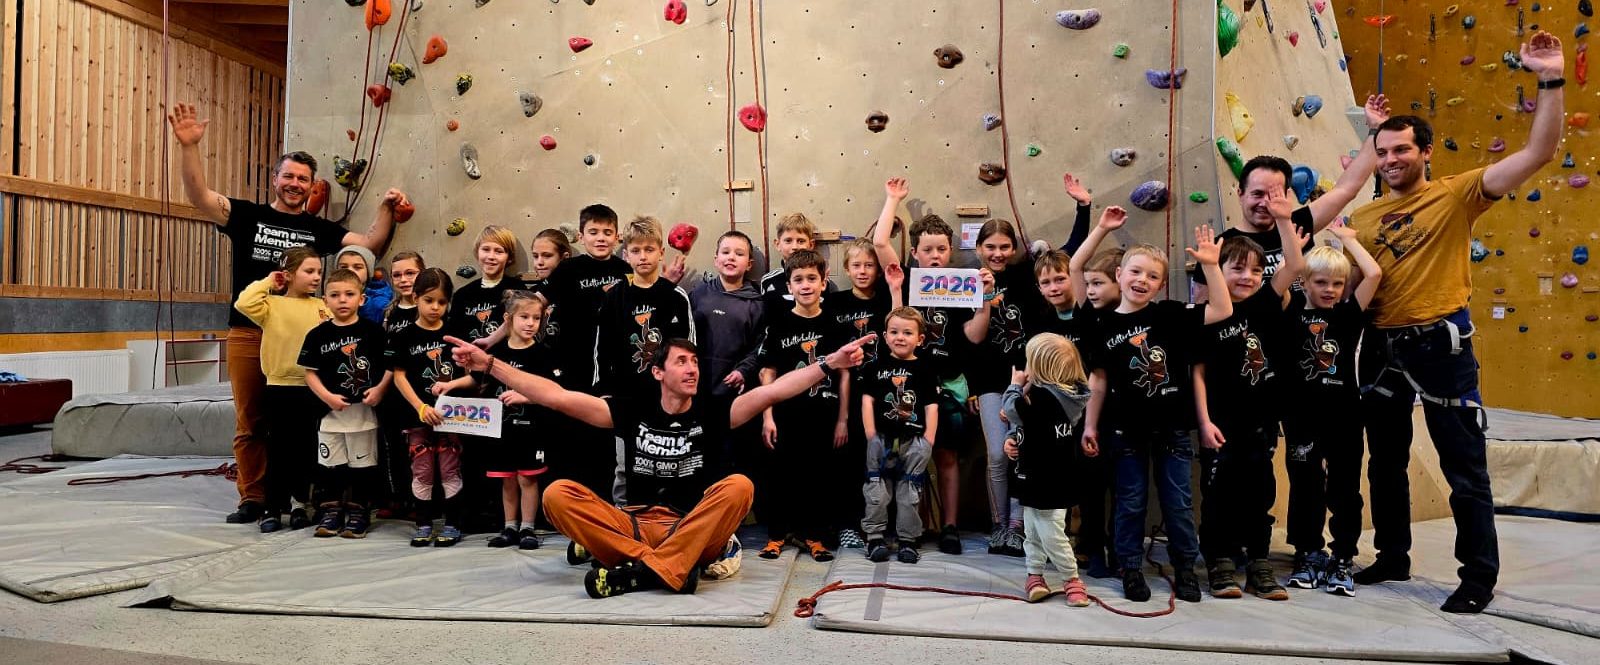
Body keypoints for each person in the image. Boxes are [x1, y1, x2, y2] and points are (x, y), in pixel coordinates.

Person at [1354, 29, 1565, 616]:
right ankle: (1392, 554)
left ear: (1426, 152)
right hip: (1379, 347)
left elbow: (1539, 154)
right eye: (1384, 151)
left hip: (1438, 345)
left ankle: (1478, 576)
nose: (1393, 160)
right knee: (1386, 464)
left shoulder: (1457, 194)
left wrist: (1549, 78)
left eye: (1403, 150)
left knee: (1464, 469)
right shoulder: (1365, 216)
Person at [443, 332, 877, 598]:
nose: (692, 370)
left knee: (740, 486)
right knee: (558, 494)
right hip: (633, 523)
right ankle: (660, 567)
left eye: (694, 363)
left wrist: (828, 364)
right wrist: (490, 365)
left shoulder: (712, 410)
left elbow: (774, 392)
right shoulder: (630, 411)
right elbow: (555, 396)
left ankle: (632, 569)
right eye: (681, 362)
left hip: (692, 528)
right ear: (658, 373)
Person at [169, 102, 403, 525]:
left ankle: (300, 495)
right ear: (275, 179)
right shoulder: (246, 216)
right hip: (249, 332)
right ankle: (254, 497)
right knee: (251, 419)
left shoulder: (321, 229)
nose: (295, 184)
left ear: (312, 186)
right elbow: (199, 196)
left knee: (299, 422)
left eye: (303, 179)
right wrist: (189, 148)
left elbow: (369, 243)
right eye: (289, 176)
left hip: (301, 338)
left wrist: (387, 206)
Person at [1080, 212, 1233, 603]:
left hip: (1173, 428)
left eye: (1151, 276)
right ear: (1119, 274)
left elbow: (1222, 310)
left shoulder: (1170, 315)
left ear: (1161, 284)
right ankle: (1129, 566)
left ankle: (1185, 567)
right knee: (1129, 501)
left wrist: (1212, 266)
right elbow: (1099, 380)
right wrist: (1090, 426)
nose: (1141, 281)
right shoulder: (1101, 324)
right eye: (1135, 272)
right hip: (1123, 429)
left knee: (1178, 502)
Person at [1191, 189, 1305, 601]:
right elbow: (1198, 373)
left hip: (1260, 422)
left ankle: (1258, 560)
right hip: (1220, 423)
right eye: (1237, 269)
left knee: (1260, 493)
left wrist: (1284, 220)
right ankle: (1219, 561)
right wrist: (1203, 421)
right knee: (1218, 493)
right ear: (1217, 270)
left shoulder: (1266, 305)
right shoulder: (1208, 316)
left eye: (1255, 271)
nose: (1247, 277)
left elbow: (1294, 263)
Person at [1191, 95, 1391, 296]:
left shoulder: (1296, 226)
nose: (1265, 203)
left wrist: (1376, 130)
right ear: (1241, 194)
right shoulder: (1219, 247)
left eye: (1274, 195)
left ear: (1287, 196)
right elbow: (1203, 309)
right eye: (1257, 194)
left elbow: (1347, 189)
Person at [1282, 223, 1382, 597]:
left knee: (1344, 489)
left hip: (1344, 415)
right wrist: (1293, 243)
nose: (1329, 290)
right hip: (1300, 416)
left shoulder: (1348, 314)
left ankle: (1342, 556)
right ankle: (1308, 552)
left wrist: (1350, 241)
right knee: (1304, 486)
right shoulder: (1290, 314)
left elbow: (1373, 273)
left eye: (1337, 284)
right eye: (1321, 282)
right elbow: (1288, 273)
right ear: (1305, 283)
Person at [874, 178, 972, 555]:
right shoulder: (907, 279)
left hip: (946, 382)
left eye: (942, 250)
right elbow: (882, 244)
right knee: (898, 454)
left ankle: (949, 525)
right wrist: (893, 200)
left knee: (947, 455)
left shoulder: (961, 286)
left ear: (950, 252)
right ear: (915, 253)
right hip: (907, 383)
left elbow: (970, 342)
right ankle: (898, 525)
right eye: (927, 250)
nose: (935, 256)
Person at [756, 250, 851, 562]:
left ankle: (815, 537)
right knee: (781, 477)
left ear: (824, 283)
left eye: (812, 278)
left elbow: (844, 375)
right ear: (789, 286)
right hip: (786, 416)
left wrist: (842, 420)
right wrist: (767, 416)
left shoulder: (836, 324)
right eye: (799, 279)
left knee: (819, 478)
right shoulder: (779, 323)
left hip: (823, 417)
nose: (806, 285)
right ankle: (775, 537)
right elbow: (767, 371)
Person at [963, 217, 1048, 558]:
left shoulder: (1025, 279)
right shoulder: (966, 282)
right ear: (979, 248)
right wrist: (982, 296)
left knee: (1021, 454)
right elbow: (973, 338)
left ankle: (1016, 527)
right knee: (998, 455)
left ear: (1013, 249)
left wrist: (1083, 208)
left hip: (1026, 380)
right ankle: (999, 526)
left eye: (1004, 247)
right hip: (988, 382)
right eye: (990, 247)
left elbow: (1071, 258)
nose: (997, 254)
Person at [232, 246, 333, 532]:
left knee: (304, 450)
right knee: (276, 449)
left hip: (310, 388)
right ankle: (272, 506)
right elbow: (243, 302)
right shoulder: (270, 306)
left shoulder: (319, 307)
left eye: (319, 273)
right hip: (278, 387)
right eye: (309, 271)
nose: (316, 278)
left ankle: (300, 504)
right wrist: (269, 281)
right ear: (288, 275)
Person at [449, 291, 558, 550]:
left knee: (527, 478)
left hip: (530, 429)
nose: (531, 323)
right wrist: (449, 385)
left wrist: (524, 397)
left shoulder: (542, 353)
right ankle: (509, 526)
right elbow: (477, 379)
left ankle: (528, 527)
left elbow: (553, 391)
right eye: (524, 317)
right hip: (501, 429)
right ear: (508, 319)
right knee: (507, 478)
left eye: (536, 318)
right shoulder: (495, 353)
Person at [1034, 248, 1114, 579]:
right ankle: (1059, 545)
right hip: (1053, 417)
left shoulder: (1090, 316)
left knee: (1093, 486)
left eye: (1060, 279)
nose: (1054, 287)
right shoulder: (1042, 323)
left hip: (1089, 415)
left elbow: (1097, 372)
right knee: (1058, 484)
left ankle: (1094, 546)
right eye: (1045, 282)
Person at [298, 268, 391, 539]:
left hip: (363, 414)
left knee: (362, 467)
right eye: (335, 295)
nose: (342, 300)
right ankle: (331, 510)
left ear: (361, 299)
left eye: (349, 294)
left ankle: (359, 510)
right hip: (330, 415)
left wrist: (380, 391)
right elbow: (309, 372)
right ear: (324, 300)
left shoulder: (373, 332)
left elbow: (389, 367)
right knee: (331, 465)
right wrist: (326, 396)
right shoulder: (317, 335)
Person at [1002, 334, 1092, 607]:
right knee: (1032, 529)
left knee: (1051, 532)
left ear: (1040, 367)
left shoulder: (1044, 398)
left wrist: (1015, 386)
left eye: (1030, 362)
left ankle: (1071, 578)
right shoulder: (1068, 397)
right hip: (1039, 475)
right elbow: (1030, 429)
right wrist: (1014, 440)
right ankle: (1034, 575)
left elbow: (1011, 410)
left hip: (1048, 480)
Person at [386, 268, 466, 547]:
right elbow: (398, 376)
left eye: (442, 302)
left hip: (452, 417)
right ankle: (423, 523)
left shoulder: (455, 332)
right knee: (422, 470)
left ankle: (453, 522)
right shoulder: (403, 335)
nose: (435, 308)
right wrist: (420, 406)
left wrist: (453, 388)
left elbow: (473, 373)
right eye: (429, 300)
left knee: (449, 469)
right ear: (416, 297)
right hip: (417, 415)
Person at [856, 306, 939, 564]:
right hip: (880, 439)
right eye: (894, 332)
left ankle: (908, 540)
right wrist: (870, 433)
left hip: (914, 441)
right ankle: (875, 537)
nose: (900, 337)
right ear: (884, 335)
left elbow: (931, 406)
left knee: (909, 492)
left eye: (907, 332)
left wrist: (929, 439)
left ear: (920, 339)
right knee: (877, 491)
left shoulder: (925, 369)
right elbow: (867, 401)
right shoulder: (875, 366)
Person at [824, 239, 893, 549]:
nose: (863, 271)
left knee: (880, 461)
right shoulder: (836, 303)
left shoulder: (884, 301)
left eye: (869, 265)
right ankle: (847, 524)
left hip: (881, 393)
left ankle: (877, 524)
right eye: (856, 265)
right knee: (848, 463)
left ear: (877, 270)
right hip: (847, 392)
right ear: (846, 270)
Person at [595, 216, 696, 400]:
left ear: (661, 252)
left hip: (667, 392)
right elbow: (602, 349)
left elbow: (689, 347)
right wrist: (604, 390)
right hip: (623, 391)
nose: (643, 257)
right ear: (626, 255)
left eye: (649, 249)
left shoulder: (677, 296)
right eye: (636, 250)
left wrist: (684, 389)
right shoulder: (613, 297)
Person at [449, 226, 525, 344]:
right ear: (477, 252)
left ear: (509, 257)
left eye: (499, 251)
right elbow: (455, 338)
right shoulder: (462, 295)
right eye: (486, 249)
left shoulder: (519, 290)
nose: (491, 257)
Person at [758, 212, 823, 305]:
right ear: (778, 244)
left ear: (811, 245)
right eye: (788, 241)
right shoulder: (768, 281)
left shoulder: (821, 281)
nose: (795, 247)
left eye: (801, 241)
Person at [333, 245, 387, 325]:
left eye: (357, 267)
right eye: (344, 267)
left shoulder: (380, 297)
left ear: (369, 272)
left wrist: (365, 304)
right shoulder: (331, 293)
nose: (350, 271)